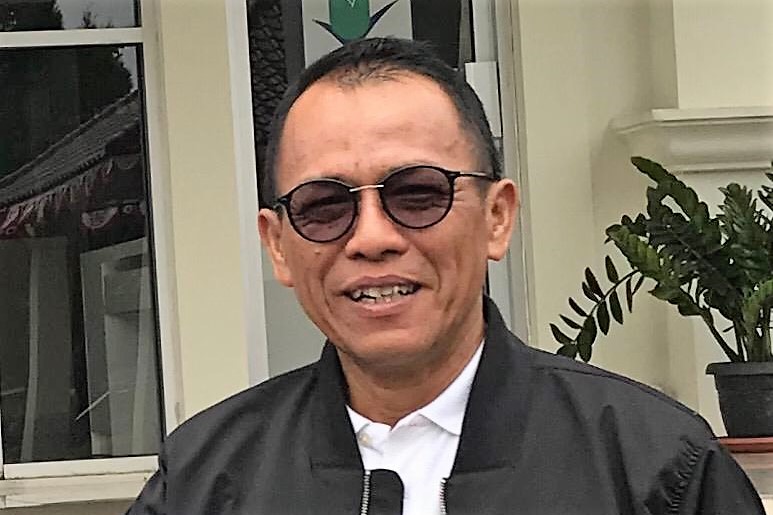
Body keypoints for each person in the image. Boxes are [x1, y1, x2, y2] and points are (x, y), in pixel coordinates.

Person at [126, 38, 764, 515]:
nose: (372, 238)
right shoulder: (206, 481)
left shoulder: (653, 470)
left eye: (418, 194)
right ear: (278, 245)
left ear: (497, 217)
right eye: (325, 206)